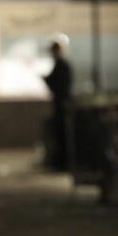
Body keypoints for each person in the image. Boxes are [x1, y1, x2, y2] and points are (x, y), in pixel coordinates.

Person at [43, 41, 73, 170]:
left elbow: (57, 84)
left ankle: (62, 163)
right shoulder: (62, 65)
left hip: (62, 104)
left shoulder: (62, 65)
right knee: (60, 134)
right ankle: (62, 162)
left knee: (62, 135)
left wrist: (47, 80)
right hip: (61, 103)